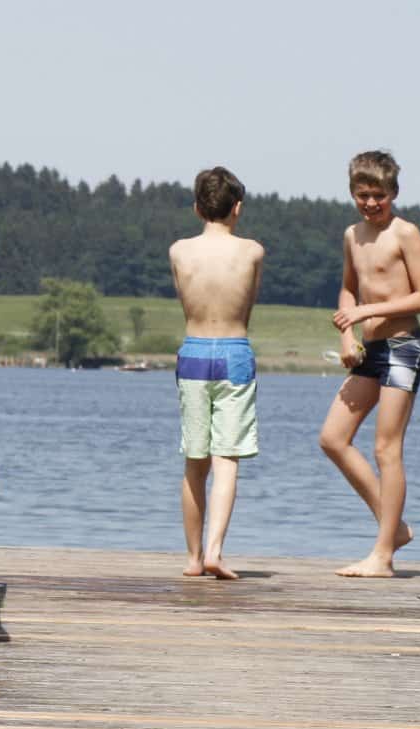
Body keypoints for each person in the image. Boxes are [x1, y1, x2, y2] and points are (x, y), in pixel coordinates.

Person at [319, 149, 420, 578]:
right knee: (333, 438)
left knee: (387, 448)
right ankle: (395, 528)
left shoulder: (406, 233)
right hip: (371, 351)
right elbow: (349, 290)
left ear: (394, 192)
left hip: (405, 348)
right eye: (363, 195)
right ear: (353, 193)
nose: (371, 203)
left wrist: (368, 313)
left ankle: (383, 555)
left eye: (379, 196)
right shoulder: (353, 236)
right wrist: (347, 335)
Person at [168, 165, 265, 581]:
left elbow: (184, 300)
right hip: (234, 351)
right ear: (237, 208)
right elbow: (248, 306)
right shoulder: (252, 251)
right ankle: (215, 551)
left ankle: (192, 559)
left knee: (195, 460)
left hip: (192, 353)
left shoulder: (178, 251)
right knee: (226, 459)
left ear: (196, 207)